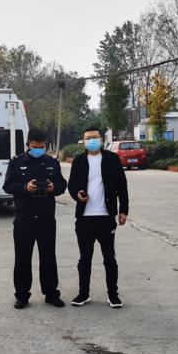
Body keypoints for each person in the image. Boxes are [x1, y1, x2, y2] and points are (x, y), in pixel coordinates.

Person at [2, 128, 68, 309]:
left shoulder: (52, 162)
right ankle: (22, 296)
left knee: (48, 258)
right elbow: (7, 186)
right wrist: (25, 187)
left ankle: (51, 294)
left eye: (42, 147)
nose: (39, 149)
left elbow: (63, 185)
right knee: (23, 259)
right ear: (28, 146)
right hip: (24, 219)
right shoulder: (16, 163)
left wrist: (54, 187)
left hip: (46, 219)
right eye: (35, 147)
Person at [67, 127, 129, 308]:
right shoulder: (79, 161)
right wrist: (77, 195)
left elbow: (122, 186)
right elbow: (71, 185)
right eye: (88, 138)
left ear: (101, 139)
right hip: (84, 218)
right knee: (84, 258)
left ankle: (113, 295)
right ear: (83, 141)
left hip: (106, 216)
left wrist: (123, 210)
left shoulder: (111, 159)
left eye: (94, 137)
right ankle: (83, 294)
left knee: (109, 258)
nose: (91, 140)